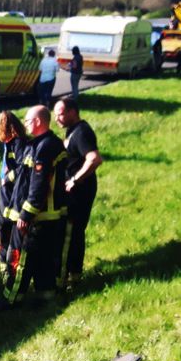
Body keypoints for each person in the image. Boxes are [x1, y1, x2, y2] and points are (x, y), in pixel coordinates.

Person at [0, 105, 68, 308]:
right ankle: (44, 298)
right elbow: (23, 176)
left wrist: (26, 215)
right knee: (43, 260)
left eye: (28, 120)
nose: (26, 124)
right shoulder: (38, 144)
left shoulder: (46, 147)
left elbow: (39, 186)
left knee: (20, 259)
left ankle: (11, 299)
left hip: (37, 217)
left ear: (38, 122)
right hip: (45, 217)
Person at [54, 98, 103, 289]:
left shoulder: (82, 132)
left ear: (73, 112)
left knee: (71, 233)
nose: (57, 118)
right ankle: (73, 274)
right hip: (75, 192)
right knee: (73, 233)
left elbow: (94, 159)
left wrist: (75, 180)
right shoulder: (72, 130)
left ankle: (68, 278)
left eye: (60, 113)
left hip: (79, 194)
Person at [0, 111, 28, 268]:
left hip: (14, 193)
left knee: (11, 231)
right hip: (4, 193)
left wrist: (7, 179)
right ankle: (3, 265)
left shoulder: (18, 143)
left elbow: (22, 167)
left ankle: (11, 266)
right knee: (2, 228)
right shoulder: (8, 143)